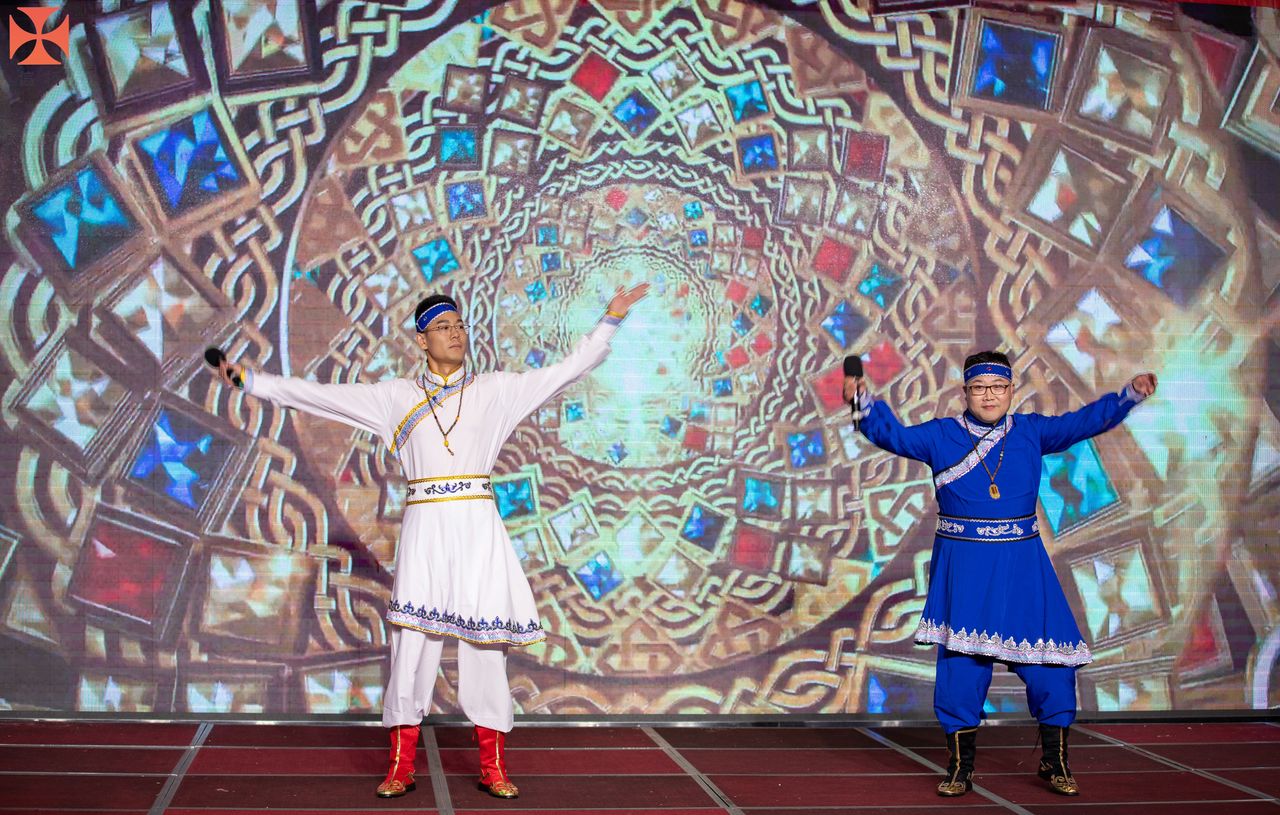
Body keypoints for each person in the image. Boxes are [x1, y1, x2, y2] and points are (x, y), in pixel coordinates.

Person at [216, 283, 650, 799]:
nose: (455, 334)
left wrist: (610, 320)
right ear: (422, 340)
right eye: (443, 327)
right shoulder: (394, 397)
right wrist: (251, 381)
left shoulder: (496, 391)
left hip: (477, 527)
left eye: (460, 325)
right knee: (412, 644)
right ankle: (401, 765)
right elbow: (319, 396)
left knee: (486, 644)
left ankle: (493, 766)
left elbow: (567, 370)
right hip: (424, 528)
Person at [844, 351, 1157, 797]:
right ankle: (960, 768)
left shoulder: (1031, 431)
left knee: (1052, 668)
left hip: (1022, 569)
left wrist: (1128, 396)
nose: (988, 396)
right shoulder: (941, 435)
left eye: (997, 387)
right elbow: (891, 434)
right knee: (961, 672)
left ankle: (1055, 761)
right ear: (965, 392)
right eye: (979, 388)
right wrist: (863, 402)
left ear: (1011, 391)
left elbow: (1084, 422)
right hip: (966, 570)